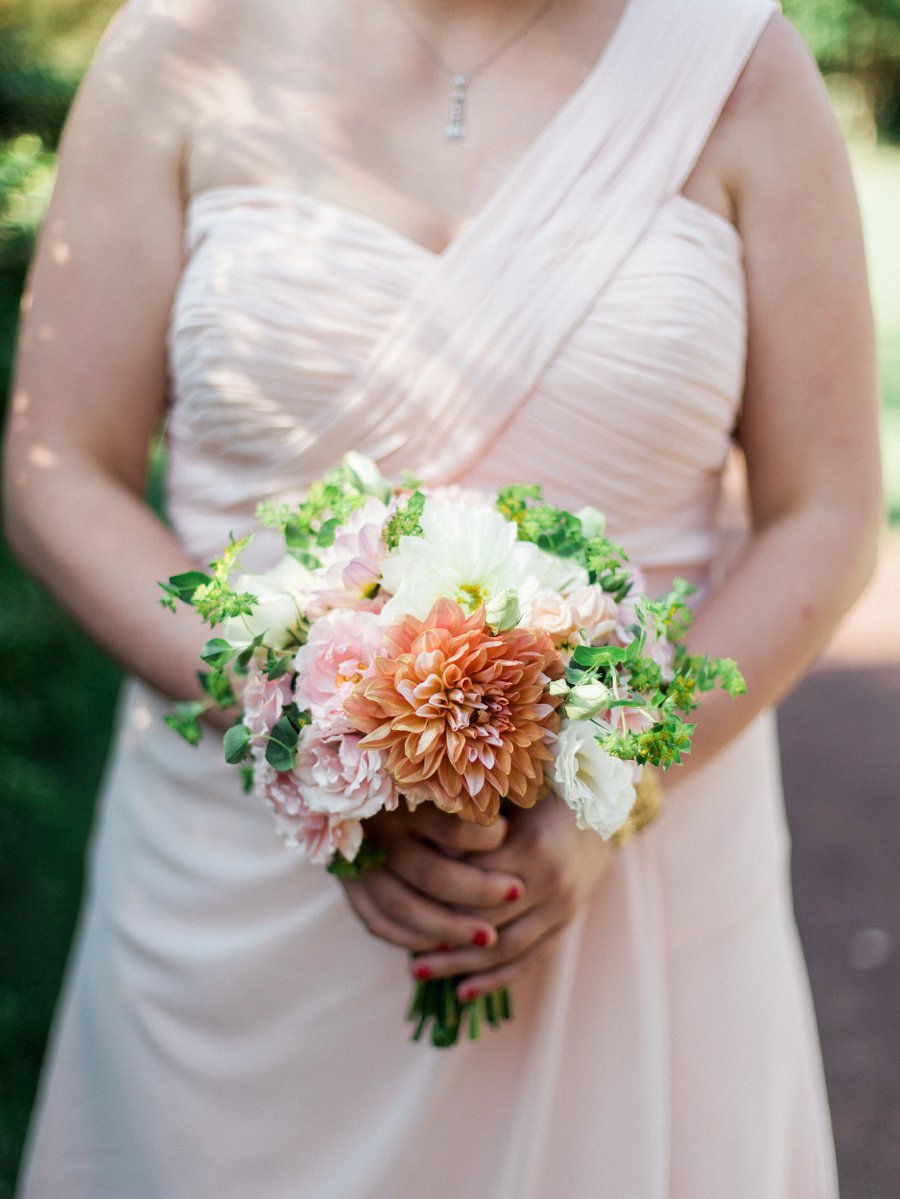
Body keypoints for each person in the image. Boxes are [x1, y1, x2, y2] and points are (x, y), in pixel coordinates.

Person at [3, 0, 882, 1194]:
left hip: (627, 884)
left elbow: (826, 510)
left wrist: (617, 780)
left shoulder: (738, 64)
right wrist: (301, 734)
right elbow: (59, 473)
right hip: (237, 888)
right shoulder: (180, 45)